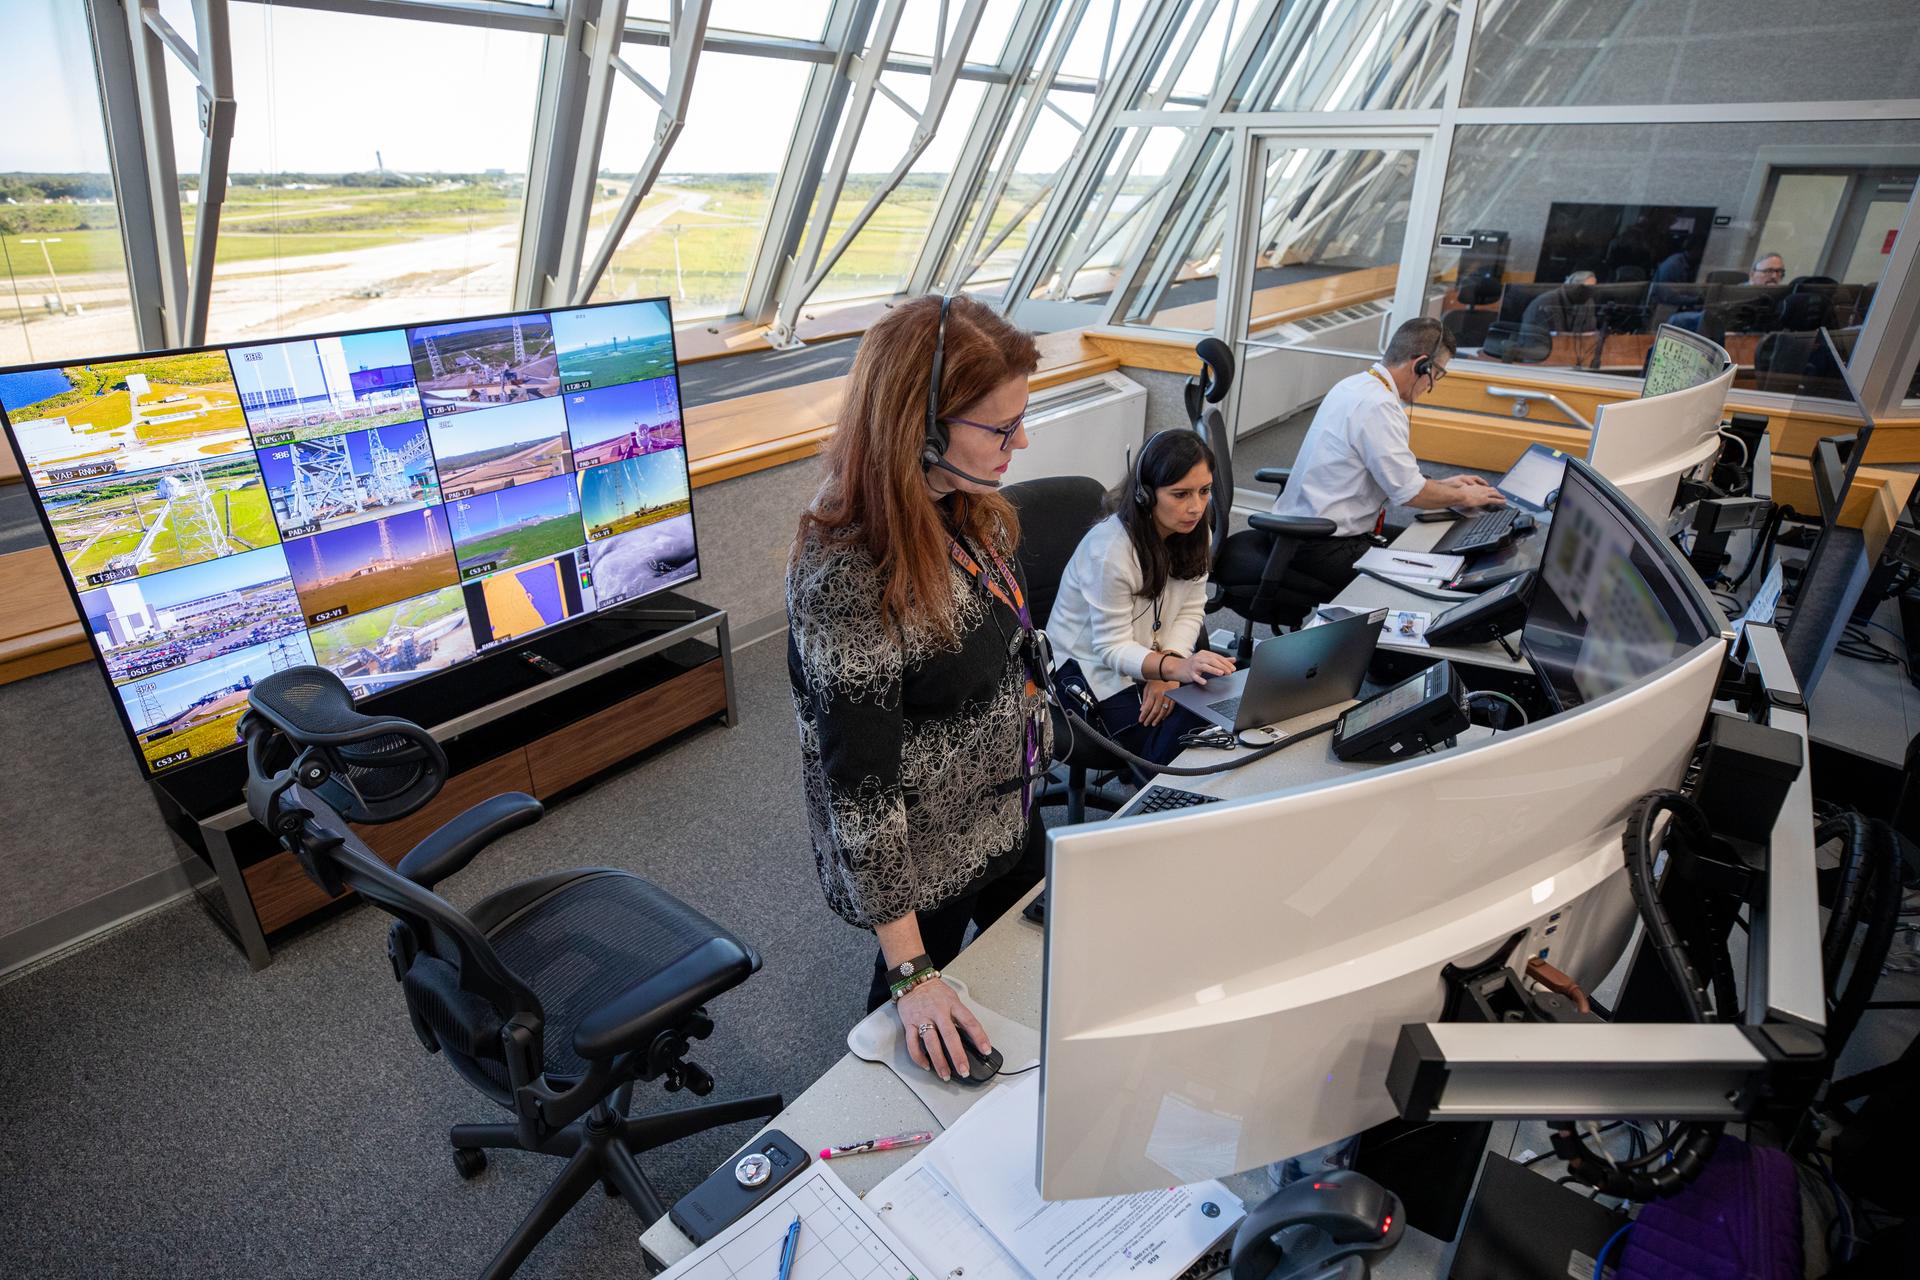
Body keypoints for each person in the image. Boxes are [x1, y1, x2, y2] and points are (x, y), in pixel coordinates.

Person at [786, 294, 1050, 1082]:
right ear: (922, 428)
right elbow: (859, 787)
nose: (1021, 442)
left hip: (1006, 809)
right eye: (1000, 429)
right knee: (916, 1047)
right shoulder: (847, 568)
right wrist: (910, 970)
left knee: (1038, 983)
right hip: (923, 856)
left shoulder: (967, 510)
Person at [1046, 429, 1236, 766]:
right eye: (1180, 494)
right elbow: (1110, 647)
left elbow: (1192, 609)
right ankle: (1159, 803)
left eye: (1204, 491)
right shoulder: (1110, 550)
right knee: (1168, 737)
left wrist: (1170, 668)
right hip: (1089, 667)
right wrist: (1172, 669)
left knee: (1217, 697)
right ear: (1146, 495)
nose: (1195, 507)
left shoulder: (1195, 532)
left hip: (1152, 655)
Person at [1269, 318, 1502, 589]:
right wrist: (1464, 495)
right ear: (1420, 365)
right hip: (1321, 545)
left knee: (1429, 547)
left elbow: (1396, 478)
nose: (1431, 386)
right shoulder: (1378, 405)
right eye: (1436, 374)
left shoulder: (1356, 385)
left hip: (1305, 533)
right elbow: (1411, 494)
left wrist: (1442, 486)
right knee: (1433, 574)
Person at [1671, 252, 1785, 332]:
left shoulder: (1782, 299)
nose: (1774, 276)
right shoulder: (1736, 295)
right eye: (1768, 271)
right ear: (1752, 274)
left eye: (1779, 272)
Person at [1520, 269, 1598, 337]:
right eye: (1584, 290)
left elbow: (1590, 332)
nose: (1588, 295)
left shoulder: (1588, 303)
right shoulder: (1544, 303)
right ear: (1570, 286)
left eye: (1591, 290)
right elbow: (1535, 337)